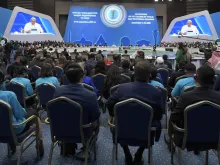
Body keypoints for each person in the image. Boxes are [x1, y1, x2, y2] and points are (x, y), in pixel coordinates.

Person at [107, 61, 163, 165]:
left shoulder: (122, 88)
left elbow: (110, 104)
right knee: (153, 125)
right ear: (149, 75)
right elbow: (159, 115)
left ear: (134, 73)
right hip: (146, 129)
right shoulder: (156, 92)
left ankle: (127, 153)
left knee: (115, 124)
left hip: (123, 127)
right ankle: (139, 153)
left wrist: (116, 115)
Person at [164, 65, 220, 153]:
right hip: (215, 138)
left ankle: (171, 142)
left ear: (195, 78)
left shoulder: (186, 96)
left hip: (186, 138)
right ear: (214, 79)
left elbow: (174, 118)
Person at [54, 63, 100, 155]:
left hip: (61, 129)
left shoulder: (58, 91)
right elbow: (95, 116)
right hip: (83, 132)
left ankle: (67, 144)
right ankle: (88, 145)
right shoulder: (90, 94)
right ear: (81, 77)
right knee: (97, 121)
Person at [0, 72, 44, 156]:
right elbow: (21, 114)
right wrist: (24, 109)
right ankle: (39, 144)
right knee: (35, 114)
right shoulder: (9, 95)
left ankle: (11, 145)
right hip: (15, 129)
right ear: (2, 81)